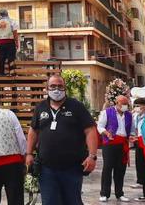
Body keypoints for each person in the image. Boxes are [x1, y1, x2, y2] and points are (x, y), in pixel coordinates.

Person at [25, 75, 98, 205]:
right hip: (46, 169)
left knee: (72, 202)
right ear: (47, 88)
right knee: (50, 202)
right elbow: (33, 131)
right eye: (53, 86)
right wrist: (29, 153)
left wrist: (92, 156)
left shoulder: (76, 106)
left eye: (60, 86)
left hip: (72, 168)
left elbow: (90, 130)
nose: (56, 89)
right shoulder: (40, 107)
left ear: (65, 88)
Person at [97, 94, 133, 202]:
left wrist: (131, 135)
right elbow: (100, 126)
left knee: (121, 169)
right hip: (110, 143)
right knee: (107, 168)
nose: (126, 106)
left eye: (127, 104)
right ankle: (104, 193)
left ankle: (119, 193)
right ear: (117, 103)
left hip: (123, 144)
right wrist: (106, 132)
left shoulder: (129, 115)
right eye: (124, 104)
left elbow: (131, 129)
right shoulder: (107, 112)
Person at [0, 9, 19, 76]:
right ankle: (11, 72)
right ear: (7, 14)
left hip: (1, 42)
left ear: (0, 14)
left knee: (2, 58)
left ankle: (1, 73)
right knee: (11, 58)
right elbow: (15, 33)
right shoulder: (12, 21)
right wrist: (17, 42)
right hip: (10, 42)